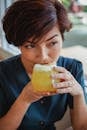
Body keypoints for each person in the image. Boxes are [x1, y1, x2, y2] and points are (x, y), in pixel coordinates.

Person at [0, 0, 87, 130]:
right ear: (19, 45)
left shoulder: (73, 68)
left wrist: (79, 93)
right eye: (30, 45)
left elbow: (81, 127)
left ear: (62, 38)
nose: (43, 57)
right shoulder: (3, 73)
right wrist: (24, 100)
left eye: (52, 43)